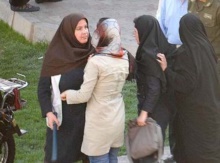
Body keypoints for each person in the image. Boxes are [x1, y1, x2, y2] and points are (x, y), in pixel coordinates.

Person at [60, 18, 129, 163]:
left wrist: (68, 95)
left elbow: (84, 95)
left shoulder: (95, 62)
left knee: (99, 159)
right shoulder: (125, 58)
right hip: (117, 116)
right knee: (112, 157)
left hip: (99, 121)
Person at [157, 13, 220, 163]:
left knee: (194, 151)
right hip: (211, 108)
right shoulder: (207, 48)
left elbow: (184, 84)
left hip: (193, 114)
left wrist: (166, 70)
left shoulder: (186, 53)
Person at [37, 13, 95, 163]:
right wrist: (48, 113)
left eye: (86, 27)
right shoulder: (54, 57)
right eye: (79, 28)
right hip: (62, 121)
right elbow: (43, 89)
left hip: (87, 121)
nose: (85, 32)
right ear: (69, 32)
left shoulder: (92, 55)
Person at [132, 15, 176, 163]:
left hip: (154, 111)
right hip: (164, 107)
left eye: (136, 30)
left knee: (148, 154)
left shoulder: (147, 55)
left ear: (144, 32)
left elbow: (153, 88)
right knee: (154, 149)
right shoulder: (162, 47)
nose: (134, 34)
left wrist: (144, 113)